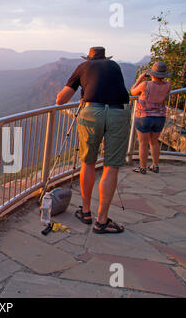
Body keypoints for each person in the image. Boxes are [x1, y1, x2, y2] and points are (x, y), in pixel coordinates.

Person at [56, 46, 131, 234]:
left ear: (89, 58)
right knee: (111, 166)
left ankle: (86, 212)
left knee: (88, 162)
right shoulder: (114, 66)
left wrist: (81, 88)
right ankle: (102, 221)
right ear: (105, 57)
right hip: (118, 112)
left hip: (92, 113)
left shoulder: (83, 67)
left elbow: (61, 100)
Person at [130, 61, 171, 174]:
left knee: (143, 143)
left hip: (144, 117)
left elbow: (133, 91)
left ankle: (143, 167)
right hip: (160, 117)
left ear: (152, 74)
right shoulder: (168, 85)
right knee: (154, 141)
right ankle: (155, 166)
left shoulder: (145, 84)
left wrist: (140, 78)